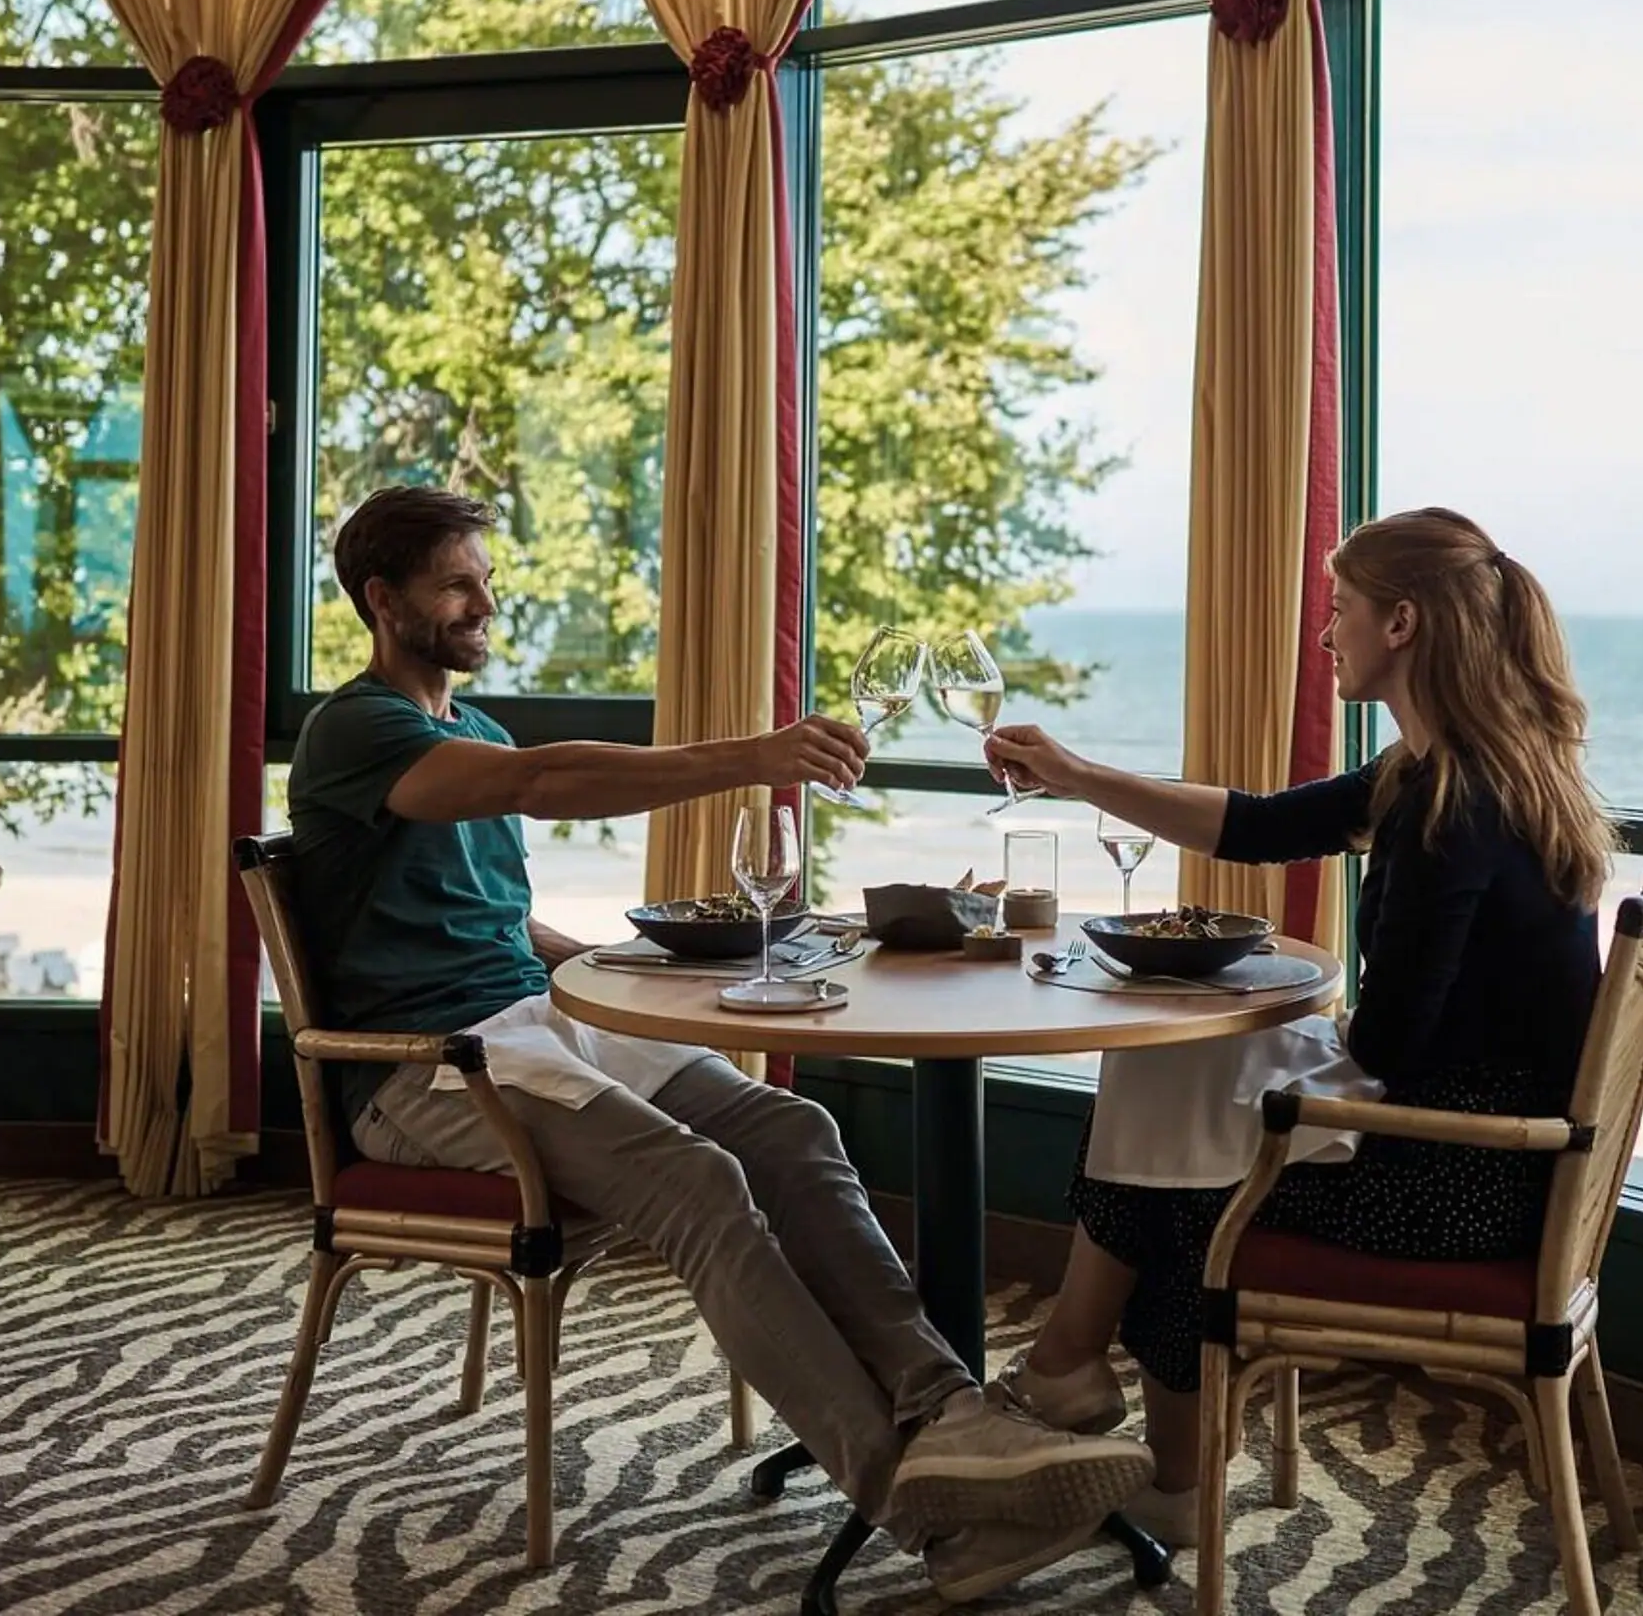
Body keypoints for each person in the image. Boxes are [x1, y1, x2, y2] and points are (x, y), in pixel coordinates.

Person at [286, 485, 1151, 1602]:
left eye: (485, 577)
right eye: (458, 582)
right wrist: (756, 754)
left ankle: (949, 1409)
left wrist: (627, 958)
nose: (484, 601)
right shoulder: (357, 726)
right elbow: (543, 785)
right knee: (699, 1182)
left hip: (535, 1021)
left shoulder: (476, 725)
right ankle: (922, 1507)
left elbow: (492, 923)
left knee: (789, 1126)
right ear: (382, 599)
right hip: (424, 1065)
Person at [975, 507, 1616, 1543]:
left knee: (1188, 1194)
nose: (1327, 634)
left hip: (1466, 1182)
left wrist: (1254, 1053)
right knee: (1170, 1075)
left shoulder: (1451, 803)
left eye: (1341, 609)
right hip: (1494, 1152)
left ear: (1401, 621)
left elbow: (1392, 1047)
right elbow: (1262, 826)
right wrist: (1080, 773)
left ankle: (1129, 1434)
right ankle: (1070, 1367)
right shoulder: (1457, 767)